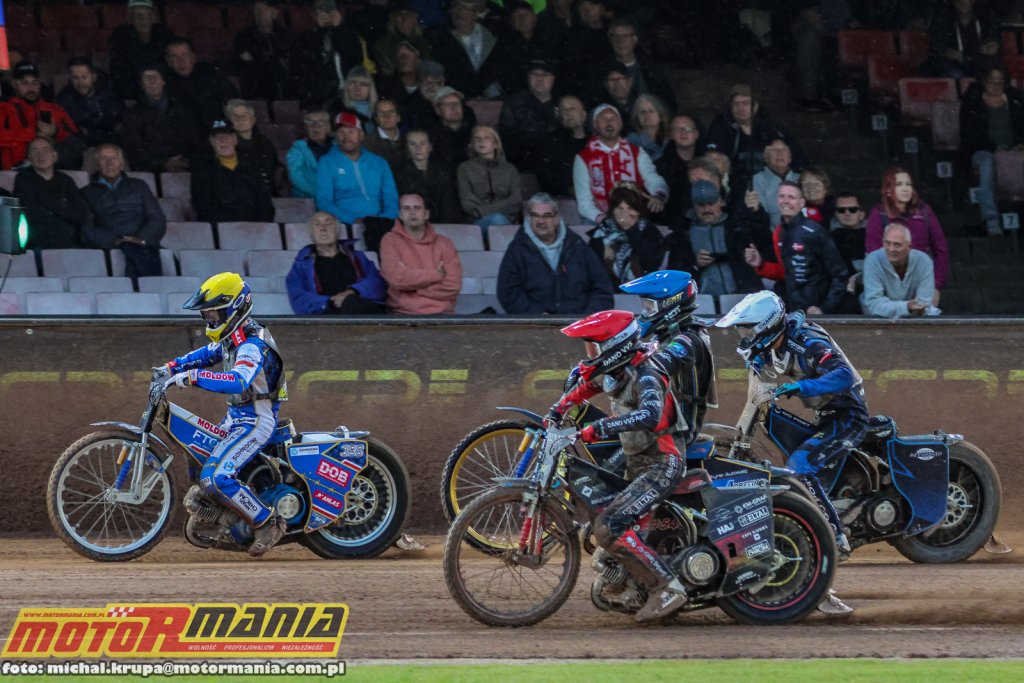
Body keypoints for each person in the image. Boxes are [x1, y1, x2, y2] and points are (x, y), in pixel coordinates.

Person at [547, 309, 690, 623]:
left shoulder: (647, 374)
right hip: (638, 463)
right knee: (602, 520)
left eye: (594, 346)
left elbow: (650, 414)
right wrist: (559, 408)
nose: (590, 354)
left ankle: (667, 588)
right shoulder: (617, 370)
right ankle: (633, 581)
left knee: (610, 525)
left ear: (615, 345)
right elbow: (587, 387)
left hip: (662, 464)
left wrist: (600, 427)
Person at [715, 289, 866, 559]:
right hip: (824, 415)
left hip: (848, 417)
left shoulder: (808, 341)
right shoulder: (775, 344)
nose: (745, 336)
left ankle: (836, 538)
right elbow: (762, 362)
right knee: (791, 457)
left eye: (748, 330)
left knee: (800, 466)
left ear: (766, 325)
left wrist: (801, 387)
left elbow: (844, 375)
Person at [157, 272, 287, 557]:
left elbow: (238, 381)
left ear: (234, 308)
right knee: (198, 459)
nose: (210, 319)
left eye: (214, 313)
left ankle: (268, 522)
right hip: (236, 418)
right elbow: (206, 354)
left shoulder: (252, 344)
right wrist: (170, 368)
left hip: (256, 421)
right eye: (207, 314)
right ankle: (230, 518)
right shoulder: (234, 336)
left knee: (215, 478)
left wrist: (192, 377)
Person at [497, 192, 614, 314]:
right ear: (529, 218)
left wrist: (588, 317)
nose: (540, 221)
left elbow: (602, 289)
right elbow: (508, 293)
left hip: (579, 322)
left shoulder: (578, 246)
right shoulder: (517, 249)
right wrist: (536, 316)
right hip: (535, 323)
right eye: (535, 215)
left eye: (547, 216)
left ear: (557, 219)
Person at [744, 181, 848, 314]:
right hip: (793, 310)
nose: (786, 201)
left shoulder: (814, 231)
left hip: (816, 312)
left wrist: (824, 308)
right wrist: (761, 264)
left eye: (791, 197)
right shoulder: (779, 232)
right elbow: (788, 272)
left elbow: (840, 274)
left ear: (802, 203)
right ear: (777, 200)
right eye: (782, 196)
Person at [81, 143, 166, 281]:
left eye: (114, 158)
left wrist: (141, 239)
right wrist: (116, 241)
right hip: (111, 245)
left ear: (122, 164)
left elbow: (156, 218)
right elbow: (88, 229)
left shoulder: (139, 185)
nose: (109, 163)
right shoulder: (86, 193)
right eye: (103, 158)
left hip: (142, 242)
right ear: (97, 164)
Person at [316, 112, 400, 252]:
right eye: (341, 132)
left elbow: (391, 198)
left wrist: (384, 220)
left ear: (361, 135)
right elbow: (324, 201)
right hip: (345, 226)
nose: (346, 137)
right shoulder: (327, 162)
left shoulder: (379, 162)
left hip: (382, 224)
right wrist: (352, 220)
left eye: (351, 131)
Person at [865, 167, 949, 305]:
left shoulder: (923, 211)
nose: (905, 189)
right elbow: (874, 254)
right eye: (899, 184)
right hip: (889, 282)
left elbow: (940, 248)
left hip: (921, 278)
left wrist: (936, 286)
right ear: (888, 190)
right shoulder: (879, 214)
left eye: (908, 184)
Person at [573, 104, 668, 224]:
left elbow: (652, 178)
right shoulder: (583, 158)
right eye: (604, 119)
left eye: (613, 119)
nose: (609, 123)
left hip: (634, 219)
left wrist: (659, 195)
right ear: (595, 124)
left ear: (620, 124)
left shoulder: (636, 152)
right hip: (600, 222)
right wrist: (605, 220)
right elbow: (584, 202)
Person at [666, 180, 762, 297]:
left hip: (743, 295)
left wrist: (757, 212)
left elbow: (762, 240)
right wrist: (696, 265)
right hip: (703, 299)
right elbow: (674, 276)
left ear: (721, 201)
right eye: (701, 205)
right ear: (694, 205)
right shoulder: (683, 235)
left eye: (711, 203)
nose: (707, 209)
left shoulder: (737, 227)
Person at [960, 61, 1024, 236]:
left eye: (1000, 81)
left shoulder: (1015, 98)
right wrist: (994, 147)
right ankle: (991, 221)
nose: (996, 84)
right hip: (983, 150)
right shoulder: (973, 100)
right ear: (983, 81)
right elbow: (969, 134)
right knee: (987, 163)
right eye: (991, 80)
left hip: (1014, 149)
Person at [703, 85, 806, 189]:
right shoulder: (722, 125)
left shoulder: (771, 127)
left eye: (746, 103)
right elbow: (713, 154)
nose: (740, 108)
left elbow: (797, 157)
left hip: (769, 183)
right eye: (736, 104)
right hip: (735, 182)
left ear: (755, 106)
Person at [285, 211, 387, 314]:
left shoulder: (358, 258)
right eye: (317, 224)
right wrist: (330, 302)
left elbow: (377, 283)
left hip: (360, 309)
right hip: (327, 315)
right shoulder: (301, 265)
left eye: (328, 223)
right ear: (311, 233)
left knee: (352, 303)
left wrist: (352, 291)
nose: (323, 228)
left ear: (338, 230)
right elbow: (298, 299)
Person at [379, 192, 463, 314]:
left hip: (443, 315)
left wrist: (413, 289)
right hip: (403, 314)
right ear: (400, 214)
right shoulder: (390, 240)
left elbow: (453, 285)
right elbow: (396, 278)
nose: (412, 212)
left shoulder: (444, 243)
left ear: (426, 214)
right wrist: (435, 275)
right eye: (406, 208)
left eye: (417, 208)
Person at [120, 64, 200, 174]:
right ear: (141, 84)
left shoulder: (183, 108)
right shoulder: (132, 114)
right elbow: (134, 149)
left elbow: (195, 138)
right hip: (152, 172)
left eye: (155, 77)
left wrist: (186, 161)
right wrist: (163, 164)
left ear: (163, 81)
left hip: (188, 168)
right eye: (147, 78)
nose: (152, 81)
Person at [191, 120, 275, 223]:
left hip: (254, 226)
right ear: (212, 142)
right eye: (218, 137)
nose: (223, 141)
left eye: (227, 136)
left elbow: (265, 203)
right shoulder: (202, 169)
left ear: (235, 140)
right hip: (221, 226)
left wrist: (258, 227)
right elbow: (203, 206)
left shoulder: (252, 165)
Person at [14, 137, 90, 250]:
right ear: (29, 157)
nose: (41, 155)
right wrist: (62, 206)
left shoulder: (66, 180)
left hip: (68, 241)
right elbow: (31, 213)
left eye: (45, 150)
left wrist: (45, 202)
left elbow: (81, 214)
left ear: (55, 156)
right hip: (37, 241)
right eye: (35, 151)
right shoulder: (23, 179)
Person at [7, 62, 83, 170]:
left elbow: (77, 137)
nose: (30, 88)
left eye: (35, 83)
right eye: (24, 83)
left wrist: (55, 132)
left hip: (53, 169)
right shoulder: (4, 109)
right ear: (14, 84)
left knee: (74, 144)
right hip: (15, 170)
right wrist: (34, 134)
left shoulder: (53, 109)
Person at [288, 0, 365, 107]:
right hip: (319, 98)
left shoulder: (349, 36)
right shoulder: (305, 39)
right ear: (314, 14)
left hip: (349, 94)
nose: (327, 13)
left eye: (330, 9)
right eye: (321, 9)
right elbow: (305, 69)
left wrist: (338, 29)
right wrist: (321, 30)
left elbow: (355, 62)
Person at [587, 184, 665, 285]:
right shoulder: (600, 234)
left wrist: (631, 238)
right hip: (608, 291)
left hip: (643, 289)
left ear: (638, 211)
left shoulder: (649, 233)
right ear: (612, 210)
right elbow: (592, 271)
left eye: (630, 208)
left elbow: (652, 267)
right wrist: (605, 247)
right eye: (619, 208)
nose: (624, 214)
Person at [429, 0, 505, 98]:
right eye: (455, 8)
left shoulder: (493, 35)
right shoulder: (441, 40)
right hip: (460, 95)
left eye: (464, 8)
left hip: (496, 95)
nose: (458, 13)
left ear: (475, 14)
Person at [861, 223, 939, 318]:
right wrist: (906, 307)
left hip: (914, 319)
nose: (891, 249)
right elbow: (874, 305)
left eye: (897, 245)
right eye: (887, 243)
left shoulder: (923, 261)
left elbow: (923, 304)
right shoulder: (872, 260)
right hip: (878, 319)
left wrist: (910, 308)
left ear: (909, 247)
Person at [456, 125, 522, 236]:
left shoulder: (509, 169)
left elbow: (515, 199)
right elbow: (467, 201)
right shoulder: (464, 168)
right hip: (477, 222)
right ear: (472, 144)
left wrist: (484, 210)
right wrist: (484, 212)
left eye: (487, 137)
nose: (481, 141)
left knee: (500, 220)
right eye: (477, 138)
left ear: (496, 144)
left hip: (506, 219)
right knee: (497, 220)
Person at [498, 58, 560, 175]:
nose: (540, 78)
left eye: (545, 74)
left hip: (557, 166)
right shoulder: (514, 103)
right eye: (535, 74)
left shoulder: (563, 103)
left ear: (553, 78)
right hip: (523, 167)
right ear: (528, 77)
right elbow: (507, 140)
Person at [109, 0, 177, 99]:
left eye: (148, 15)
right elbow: (121, 80)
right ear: (131, 19)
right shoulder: (120, 41)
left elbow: (173, 68)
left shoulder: (165, 36)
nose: (144, 20)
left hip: (166, 93)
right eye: (139, 16)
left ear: (153, 17)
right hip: (134, 97)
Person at [164, 38, 240, 128]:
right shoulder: (164, 82)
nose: (181, 61)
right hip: (185, 130)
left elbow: (231, 99)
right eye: (174, 57)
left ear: (193, 57)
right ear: (168, 61)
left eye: (185, 55)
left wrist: (221, 126)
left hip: (217, 125)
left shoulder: (209, 73)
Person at [606, 18, 677, 112]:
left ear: (634, 39)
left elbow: (668, 100)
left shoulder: (651, 67)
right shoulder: (603, 69)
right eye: (615, 36)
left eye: (625, 36)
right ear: (610, 40)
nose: (620, 41)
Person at [394, 128, 462, 222]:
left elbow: (449, 202)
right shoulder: (399, 173)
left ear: (430, 146)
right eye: (413, 144)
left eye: (422, 143)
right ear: (406, 148)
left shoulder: (443, 170)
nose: (418, 148)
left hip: (444, 222)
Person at [55, 58, 124, 148]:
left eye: (84, 77)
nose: (80, 83)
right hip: (81, 146)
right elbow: (65, 129)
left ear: (94, 77)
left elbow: (120, 124)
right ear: (70, 78)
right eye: (75, 78)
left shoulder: (109, 96)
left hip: (110, 144)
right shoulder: (65, 98)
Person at [233, 0, 292, 101]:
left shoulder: (286, 36)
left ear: (275, 14)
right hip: (257, 86)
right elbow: (246, 63)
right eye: (257, 10)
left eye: (265, 10)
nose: (260, 14)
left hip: (283, 84)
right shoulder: (244, 36)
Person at [925, 0, 1000, 79]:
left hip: (979, 62)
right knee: (956, 75)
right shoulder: (943, 20)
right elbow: (935, 47)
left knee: (994, 73)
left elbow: (993, 39)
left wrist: (992, 46)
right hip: (951, 64)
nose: (964, 2)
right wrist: (946, 52)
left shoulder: (984, 19)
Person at [225, 99, 284, 196]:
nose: (240, 119)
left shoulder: (264, 141)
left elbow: (272, 168)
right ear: (230, 121)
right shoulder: (227, 145)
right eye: (235, 116)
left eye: (244, 115)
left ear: (252, 119)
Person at [536, 94, 589, 197]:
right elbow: (545, 176)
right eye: (564, 110)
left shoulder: (595, 141)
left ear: (583, 114)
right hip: (563, 198)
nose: (568, 113)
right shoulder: (550, 142)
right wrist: (568, 190)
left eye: (572, 108)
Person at [655, 116, 700, 220]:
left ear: (696, 134)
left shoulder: (707, 163)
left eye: (688, 128)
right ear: (671, 135)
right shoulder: (658, 167)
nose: (683, 132)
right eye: (677, 129)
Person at [830, 191, 867, 314]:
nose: (847, 213)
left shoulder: (874, 237)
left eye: (852, 209)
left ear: (862, 213)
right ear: (836, 214)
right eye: (841, 210)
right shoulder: (828, 239)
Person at [373, 1, 431, 78]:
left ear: (415, 17)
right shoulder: (383, 43)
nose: (404, 19)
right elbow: (387, 69)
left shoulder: (425, 41)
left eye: (408, 14)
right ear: (392, 18)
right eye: (399, 15)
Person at [286, 107, 333, 199]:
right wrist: (323, 194)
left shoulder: (339, 147)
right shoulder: (297, 148)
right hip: (307, 199)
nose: (315, 126)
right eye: (310, 122)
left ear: (328, 127)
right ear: (305, 128)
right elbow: (296, 177)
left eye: (321, 122)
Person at [752, 138, 800, 228]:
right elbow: (761, 214)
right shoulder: (757, 180)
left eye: (784, 150)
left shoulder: (800, 178)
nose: (779, 153)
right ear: (765, 157)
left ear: (790, 157)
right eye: (774, 150)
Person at [427, 85, 476, 167]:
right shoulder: (432, 136)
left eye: (457, 103)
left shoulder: (474, 131)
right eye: (447, 104)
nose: (454, 108)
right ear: (437, 110)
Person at [363, 99, 406, 171]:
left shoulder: (408, 140)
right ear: (376, 118)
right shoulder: (367, 143)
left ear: (398, 117)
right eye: (381, 113)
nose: (387, 116)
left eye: (391, 112)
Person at [626, 95, 671, 162]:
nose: (647, 115)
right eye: (642, 112)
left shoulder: (669, 141)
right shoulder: (631, 141)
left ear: (660, 115)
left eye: (651, 111)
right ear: (637, 117)